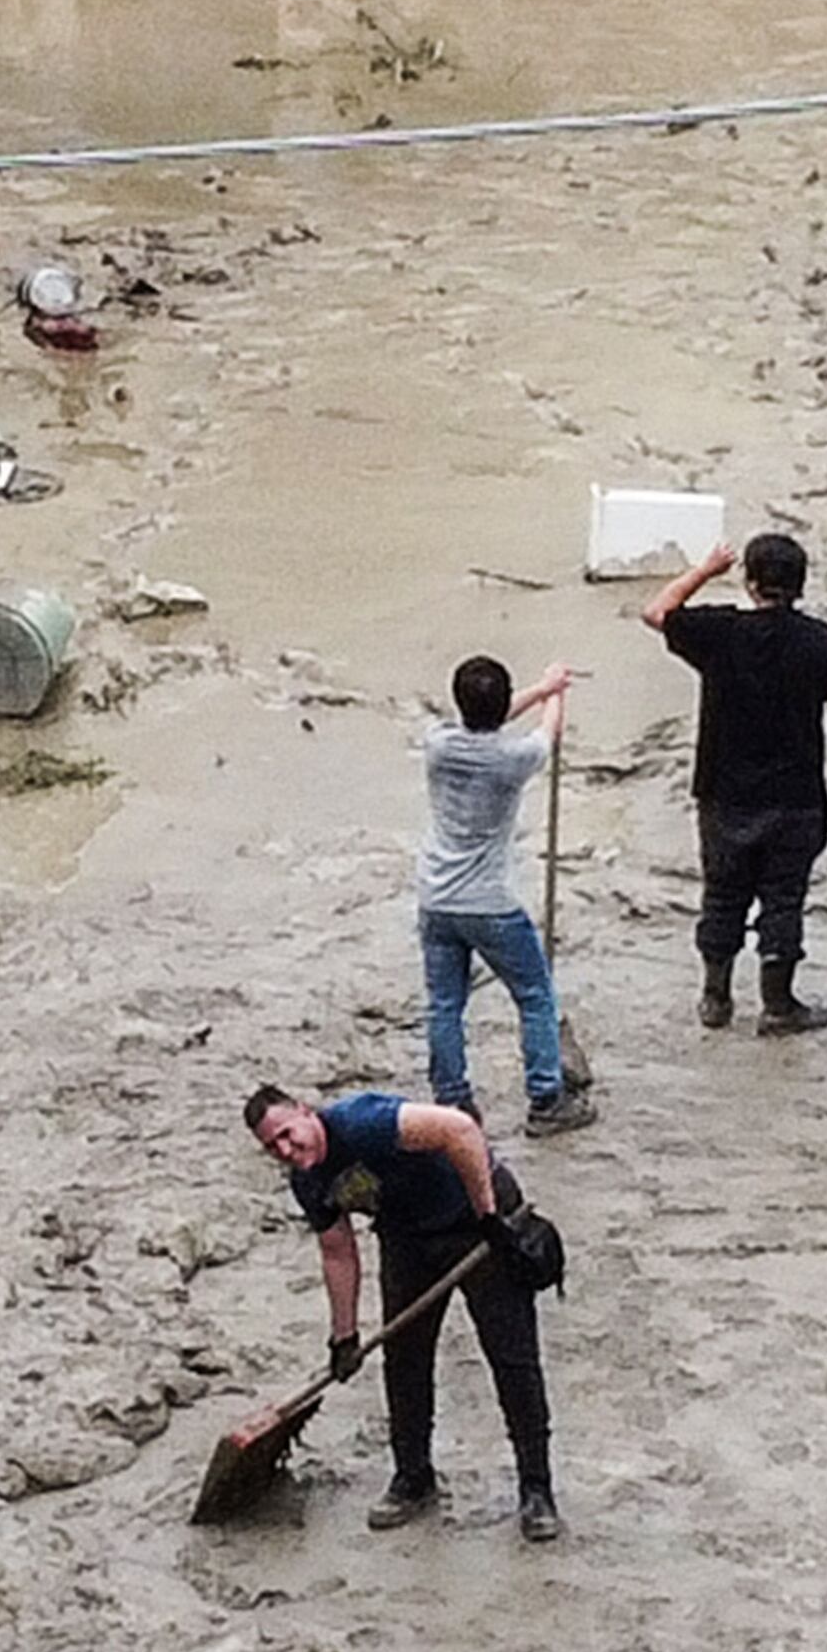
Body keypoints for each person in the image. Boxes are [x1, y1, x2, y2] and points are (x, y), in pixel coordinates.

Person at [244, 1082, 555, 1542]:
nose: (287, 1149)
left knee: (511, 1357)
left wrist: (488, 1216)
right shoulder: (308, 1181)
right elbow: (338, 1252)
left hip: (480, 1222)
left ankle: (536, 1489)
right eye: (274, 1147)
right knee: (405, 1360)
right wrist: (343, 1336)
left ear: (307, 1113)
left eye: (289, 1134)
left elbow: (461, 1129)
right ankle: (413, 1477)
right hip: (408, 1239)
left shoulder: (364, 1122)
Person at [642, 530, 827, 1038]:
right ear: (801, 584)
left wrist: (703, 570)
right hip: (795, 799)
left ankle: (716, 999)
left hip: (724, 793)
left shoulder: (719, 632)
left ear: (749, 582)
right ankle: (778, 1005)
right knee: (783, 900)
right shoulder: (822, 640)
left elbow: (656, 612)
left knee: (722, 895)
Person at [414, 656, 596, 1138]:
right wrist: (554, 695)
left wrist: (540, 687)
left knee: (444, 1004)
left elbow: (494, 717)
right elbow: (547, 734)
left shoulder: (438, 744)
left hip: (435, 898)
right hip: (490, 903)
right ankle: (545, 1099)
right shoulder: (512, 760)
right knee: (535, 995)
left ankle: (452, 1102)